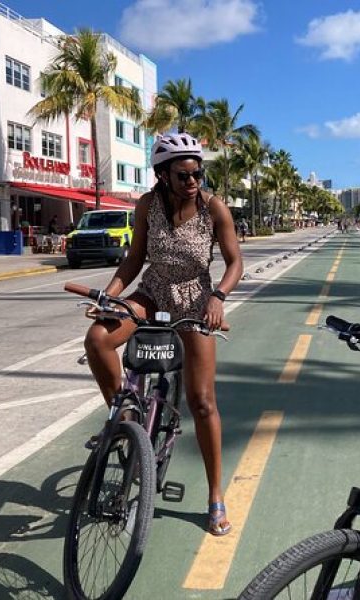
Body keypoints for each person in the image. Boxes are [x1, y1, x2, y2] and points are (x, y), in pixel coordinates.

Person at [82, 133, 243, 536]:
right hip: (152, 292)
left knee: (202, 401)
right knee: (98, 337)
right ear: (162, 175)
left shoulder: (214, 208)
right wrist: (111, 297)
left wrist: (219, 297)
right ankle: (128, 417)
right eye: (184, 174)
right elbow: (135, 258)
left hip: (195, 298)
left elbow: (234, 261)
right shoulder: (148, 206)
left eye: (197, 173)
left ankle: (215, 494)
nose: (193, 181)